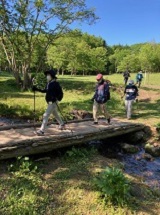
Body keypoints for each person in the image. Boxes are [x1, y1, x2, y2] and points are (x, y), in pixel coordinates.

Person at [32, 69, 64, 135]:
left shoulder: (56, 84)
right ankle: (62, 124)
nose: (47, 76)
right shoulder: (49, 83)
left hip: (53, 102)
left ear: (52, 76)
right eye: (47, 75)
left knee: (45, 115)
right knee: (55, 114)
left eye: (48, 75)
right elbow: (46, 90)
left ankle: (42, 131)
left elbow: (61, 93)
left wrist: (57, 98)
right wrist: (37, 89)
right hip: (49, 102)